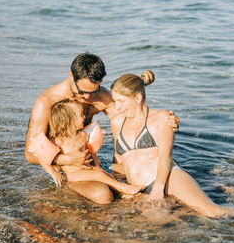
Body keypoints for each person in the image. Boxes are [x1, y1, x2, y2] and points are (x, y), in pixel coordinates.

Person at [25, 53, 179, 204]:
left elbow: (131, 122)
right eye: (82, 91)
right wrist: (66, 159)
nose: (87, 97)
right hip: (66, 171)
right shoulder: (46, 102)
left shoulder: (101, 97)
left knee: (135, 187)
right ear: (71, 77)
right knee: (104, 194)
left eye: (93, 91)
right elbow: (30, 153)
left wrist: (164, 120)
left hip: (91, 167)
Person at [110, 70, 233, 217]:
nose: (117, 107)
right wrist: (121, 187)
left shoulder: (162, 118)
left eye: (121, 101)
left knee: (212, 212)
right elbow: (118, 157)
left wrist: (158, 188)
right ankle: (223, 188)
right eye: (115, 101)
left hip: (167, 178)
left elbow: (165, 155)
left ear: (137, 98)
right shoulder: (117, 122)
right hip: (140, 187)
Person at [37, 99, 143, 204]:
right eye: (81, 115)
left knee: (105, 174)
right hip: (71, 174)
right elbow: (43, 158)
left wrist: (97, 166)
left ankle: (121, 194)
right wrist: (53, 173)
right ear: (69, 120)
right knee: (99, 175)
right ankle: (124, 188)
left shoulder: (82, 136)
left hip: (87, 169)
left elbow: (91, 152)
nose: (84, 117)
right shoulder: (58, 141)